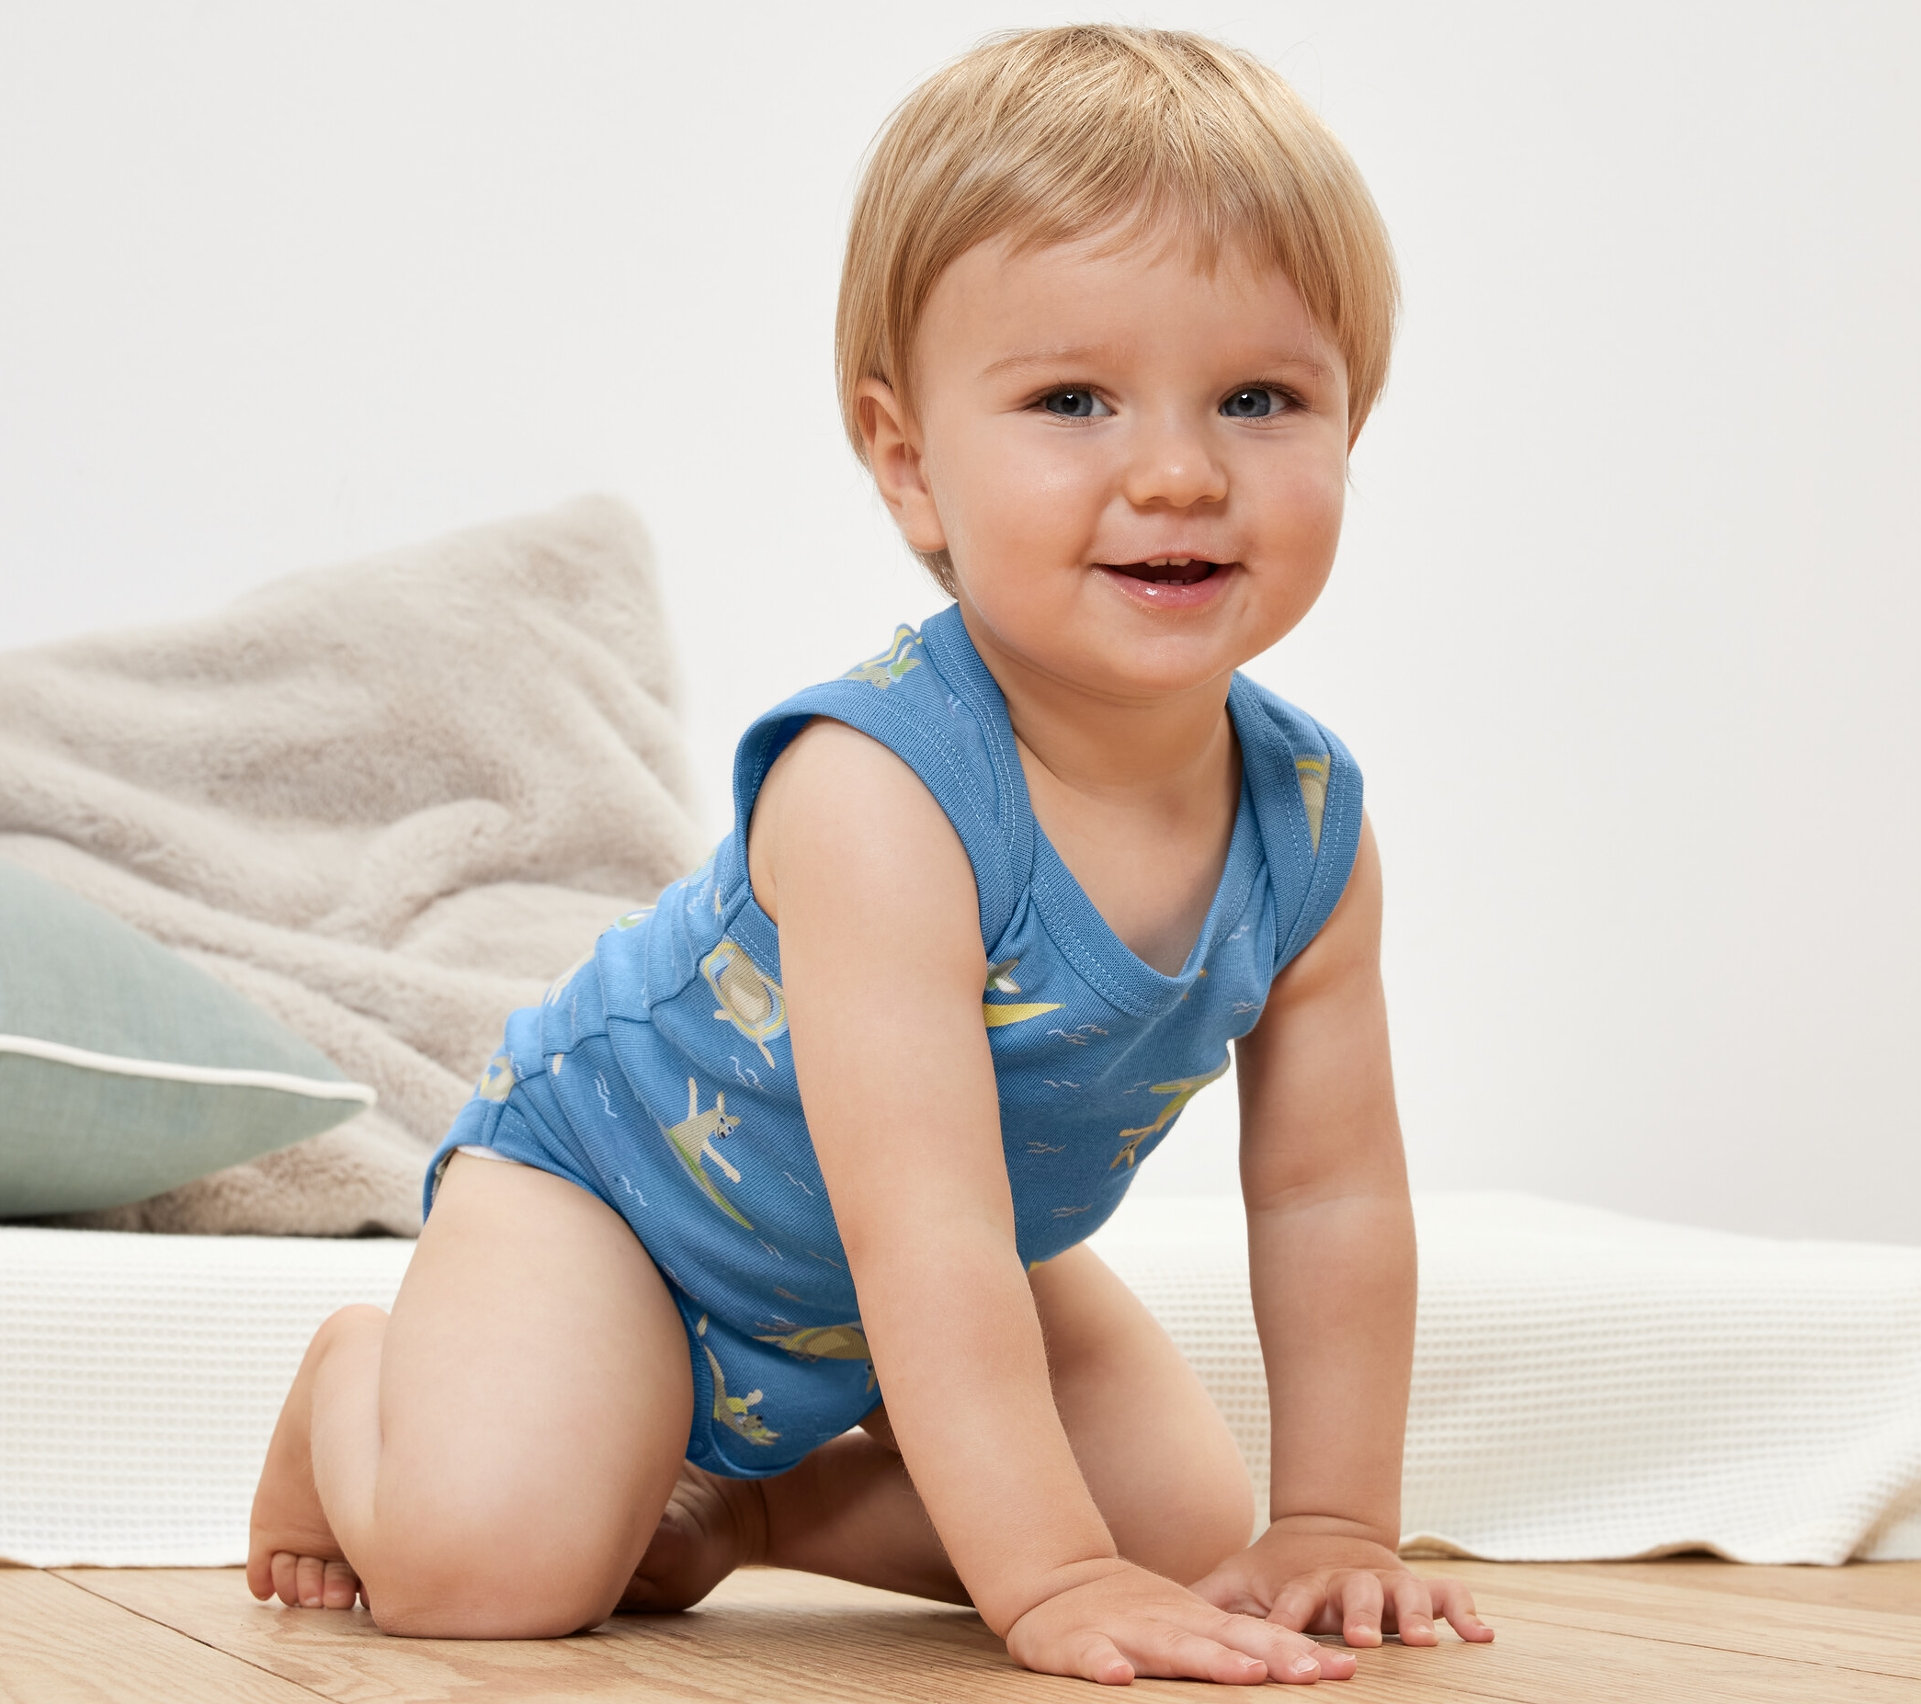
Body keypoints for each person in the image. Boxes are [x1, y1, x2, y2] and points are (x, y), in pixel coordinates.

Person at [247, 24, 1494, 1686]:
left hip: (895, 1277)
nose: (1180, 472)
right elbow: (929, 1237)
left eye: (1260, 399)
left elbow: (1330, 1196)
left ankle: (758, 1509)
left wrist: (1336, 1519)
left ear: (1353, 422)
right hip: (619, 1210)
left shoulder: (1310, 827)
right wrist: (1046, 1580)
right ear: (911, 467)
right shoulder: (880, 791)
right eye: (1072, 401)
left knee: (1193, 1539)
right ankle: (355, 1385)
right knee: (491, 1573)